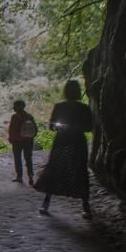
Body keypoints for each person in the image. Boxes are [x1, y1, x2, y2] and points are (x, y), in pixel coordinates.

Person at [34, 80, 93, 218]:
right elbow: (51, 126)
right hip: (63, 141)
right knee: (55, 169)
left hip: (76, 141)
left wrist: (75, 128)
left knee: (80, 170)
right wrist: (58, 127)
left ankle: (85, 205)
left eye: (73, 90)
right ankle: (46, 202)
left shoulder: (84, 108)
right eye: (70, 89)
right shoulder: (59, 107)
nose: (71, 92)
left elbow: (89, 127)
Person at [8, 100, 35, 185]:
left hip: (17, 142)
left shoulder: (14, 117)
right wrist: (30, 138)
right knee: (28, 158)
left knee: (18, 159)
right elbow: (35, 130)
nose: (14, 108)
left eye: (15, 106)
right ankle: (30, 176)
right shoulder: (29, 116)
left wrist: (11, 138)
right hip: (28, 141)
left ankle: (19, 177)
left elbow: (11, 129)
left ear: (19, 107)